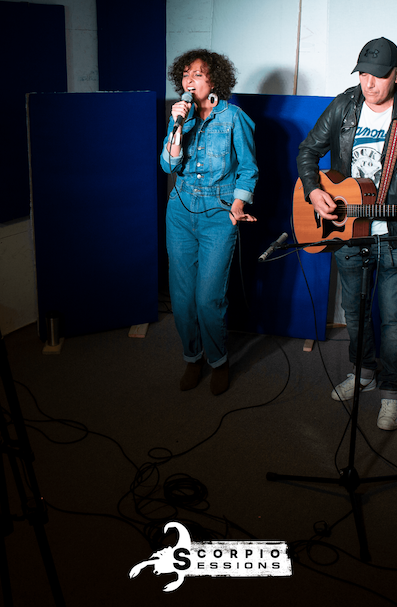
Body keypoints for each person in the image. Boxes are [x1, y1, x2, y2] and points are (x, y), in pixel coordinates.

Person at [296, 37, 397, 430]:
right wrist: (314, 190)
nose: (369, 84)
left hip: (395, 235)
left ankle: (392, 390)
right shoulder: (345, 105)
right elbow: (308, 151)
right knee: (355, 313)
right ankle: (363, 372)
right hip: (348, 231)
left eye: (378, 76)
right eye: (363, 75)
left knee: (395, 318)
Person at [160, 49, 258, 396]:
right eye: (185, 75)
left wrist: (238, 204)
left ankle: (218, 360)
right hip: (180, 211)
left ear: (214, 79)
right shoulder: (180, 117)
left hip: (219, 214)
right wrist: (178, 125)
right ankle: (192, 357)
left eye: (197, 74)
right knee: (182, 299)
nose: (189, 81)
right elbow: (168, 166)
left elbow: (248, 169)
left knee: (207, 299)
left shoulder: (234, 118)